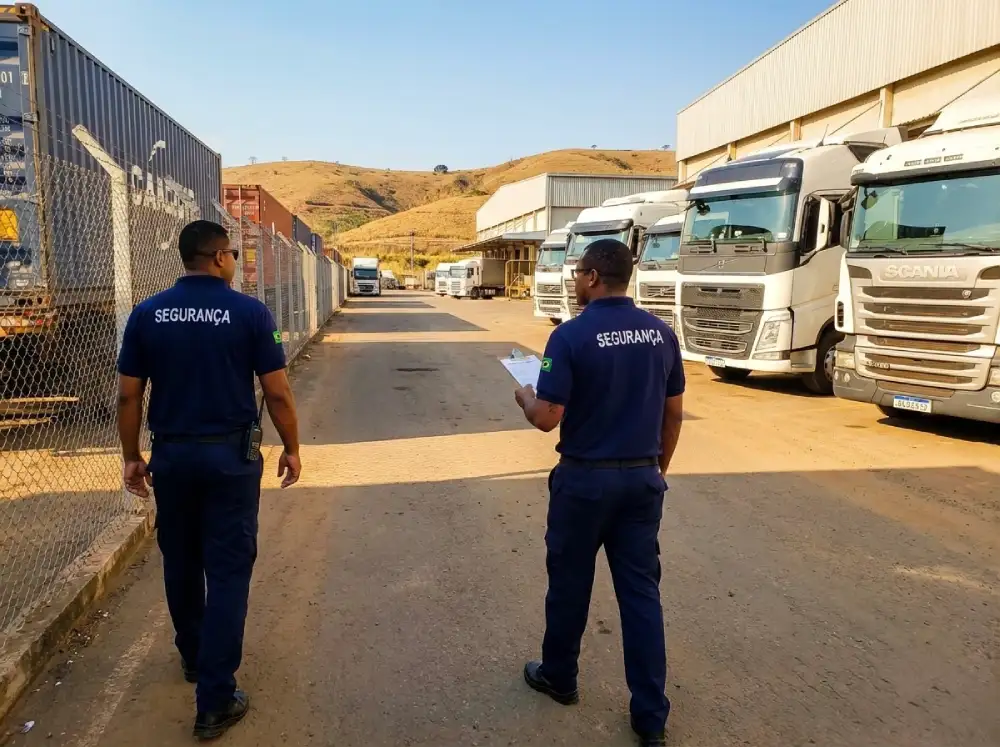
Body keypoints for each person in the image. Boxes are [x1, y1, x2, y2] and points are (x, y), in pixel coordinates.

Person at [116, 219, 301, 740]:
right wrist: (290, 446)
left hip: (172, 459)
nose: (236, 262)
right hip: (230, 463)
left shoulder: (147, 314)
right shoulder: (249, 313)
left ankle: (194, 658)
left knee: (181, 560)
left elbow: (130, 396)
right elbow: (279, 394)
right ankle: (215, 699)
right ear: (219, 258)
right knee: (227, 570)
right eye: (234, 255)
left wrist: (132, 457)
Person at [514, 238, 685, 747]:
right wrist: (657, 471)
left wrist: (525, 395)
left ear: (591, 277)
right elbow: (672, 413)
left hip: (585, 481)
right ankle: (650, 717)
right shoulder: (660, 334)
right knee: (641, 595)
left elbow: (547, 418)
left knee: (569, 583)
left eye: (577, 274)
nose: (574, 281)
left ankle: (560, 677)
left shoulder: (569, 336)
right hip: (640, 479)